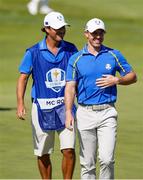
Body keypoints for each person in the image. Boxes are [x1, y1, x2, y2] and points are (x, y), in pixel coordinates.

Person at [65, 18, 137, 179]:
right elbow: (70, 87)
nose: (98, 36)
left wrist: (117, 80)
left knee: (107, 159)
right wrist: (68, 111)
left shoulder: (113, 54)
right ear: (86, 34)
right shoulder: (76, 58)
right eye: (94, 33)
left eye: (101, 33)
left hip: (107, 112)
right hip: (85, 113)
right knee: (87, 164)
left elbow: (132, 76)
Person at [16, 11, 78, 179]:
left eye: (63, 28)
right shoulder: (33, 52)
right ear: (47, 29)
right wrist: (20, 103)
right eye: (58, 29)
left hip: (66, 107)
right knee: (43, 152)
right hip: (42, 107)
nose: (62, 31)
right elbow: (23, 78)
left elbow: (77, 76)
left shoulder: (71, 49)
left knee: (69, 150)